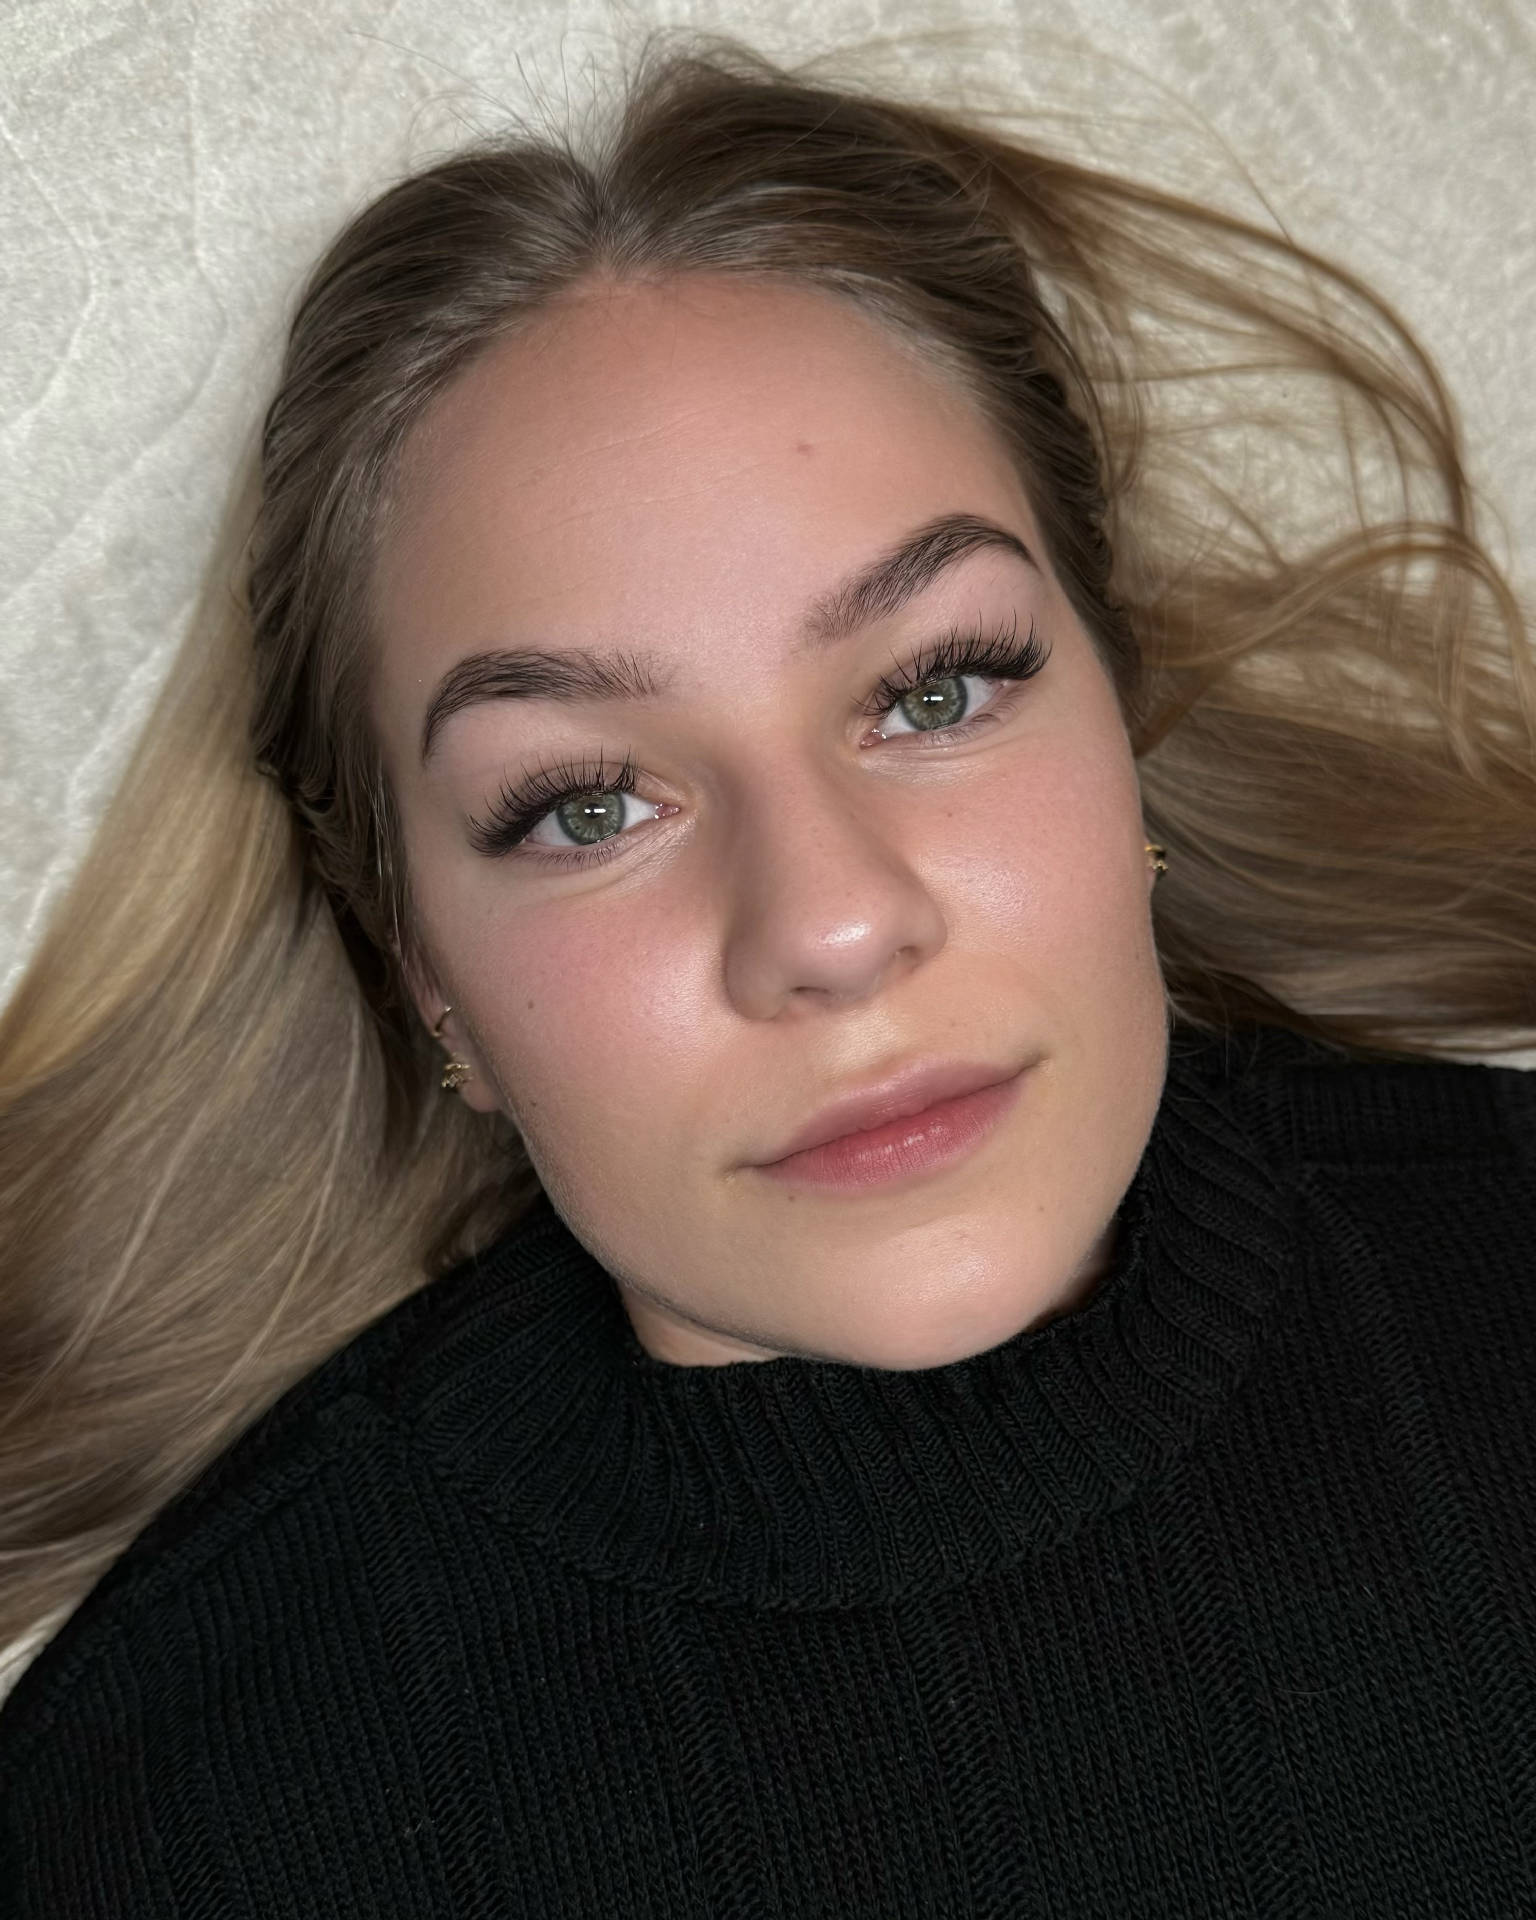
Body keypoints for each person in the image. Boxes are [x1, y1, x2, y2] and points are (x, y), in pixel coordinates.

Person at [0, 28, 1533, 1916]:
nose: (828, 926)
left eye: (934, 692)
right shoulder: (156, 1814)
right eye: (584, 807)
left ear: (1120, 710)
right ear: (423, 973)